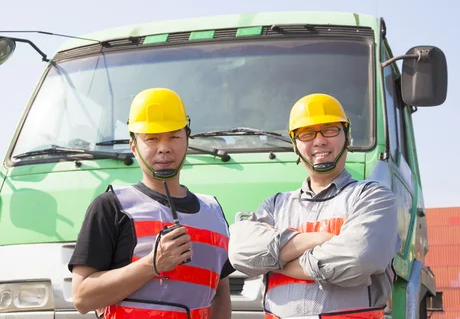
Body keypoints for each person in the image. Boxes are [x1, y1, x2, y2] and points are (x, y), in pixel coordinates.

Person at [228, 93, 401, 319]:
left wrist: (275, 261)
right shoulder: (275, 205)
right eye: (307, 133)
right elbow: (239, 252)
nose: (319, 141)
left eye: (329, 129)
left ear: (347, 136)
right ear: (295, 146)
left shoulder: (372, 198)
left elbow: (357, 258)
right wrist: (314, 239)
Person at [69, 88, 233, 319]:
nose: (164, 147)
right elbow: (82, 298)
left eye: (174, 136)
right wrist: (152, 264)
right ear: (134, 146)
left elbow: (220, 295)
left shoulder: (213, 212)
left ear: (187, 139)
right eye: (152, 138)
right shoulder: (112, 207)